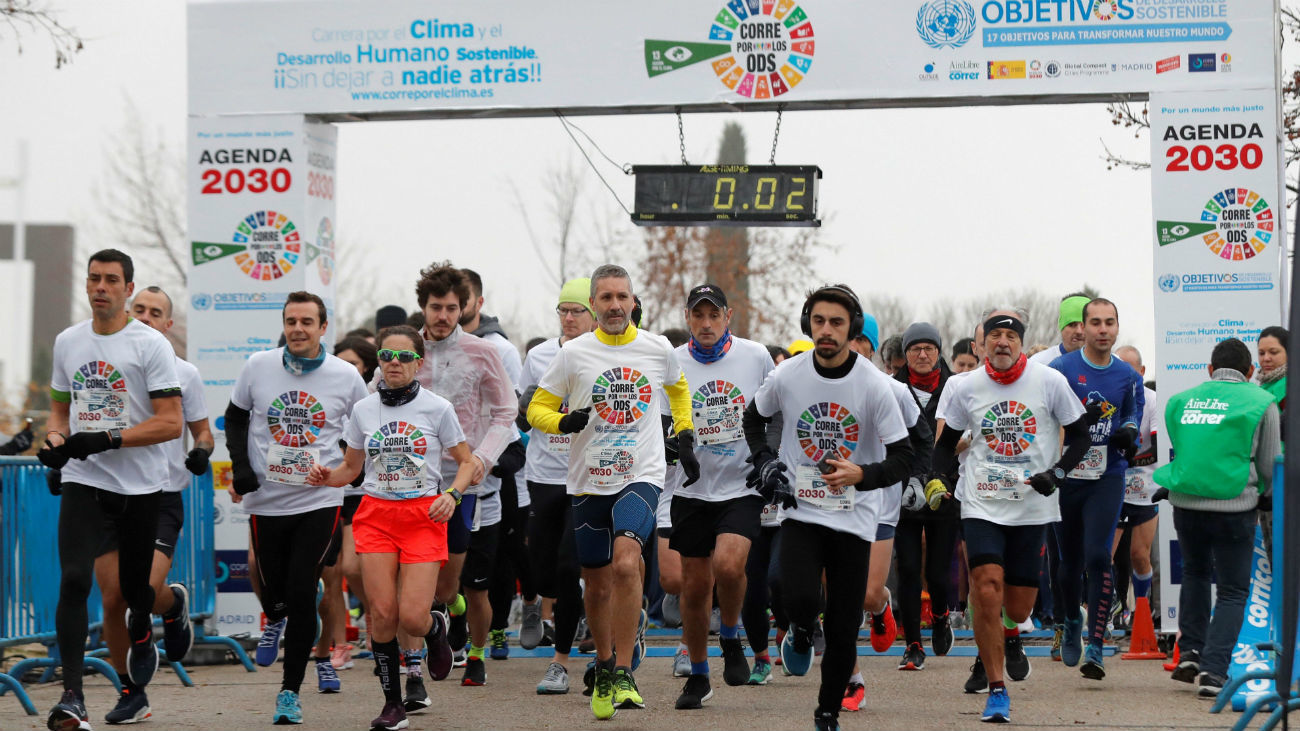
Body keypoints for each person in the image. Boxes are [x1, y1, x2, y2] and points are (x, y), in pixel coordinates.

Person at [527, 264, 697, 720]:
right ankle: (603, 663)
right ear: (594, 305)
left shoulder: (657, 347)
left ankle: (623, 670)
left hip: (640, 472)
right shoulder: (573, 354)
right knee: (596, 584)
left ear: (634, 301)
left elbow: (678, 391)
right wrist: (563, 422)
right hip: (588, 481)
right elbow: (537, 409)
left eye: (623, 296)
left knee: (626, 562)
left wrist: (684, 431)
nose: (616, 305)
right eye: (606, 298)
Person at [742, 284, 914, 731]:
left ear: (852, 328)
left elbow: (904, 457)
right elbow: (753, 419)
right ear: (807, 324)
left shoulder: (875, 386)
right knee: (787, 589)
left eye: (837, 323)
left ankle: (827, 712)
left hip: (855, 520)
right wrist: (765, 460)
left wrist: (862, 475)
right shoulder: (789, 375)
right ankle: (799, 627)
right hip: (802, 510)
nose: (826, 331)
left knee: (841, 626)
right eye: (818, 321)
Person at [306, 324, 479, 731]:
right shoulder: (364, 409)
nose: (394, 364)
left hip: (423, 517)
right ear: (378, 361)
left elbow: (467, 462)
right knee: (383, 614)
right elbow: (351, 468)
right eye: (386, 356)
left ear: (419, 362)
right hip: (377, 516)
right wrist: (325, 477)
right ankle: (393, 705)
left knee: (411, 617)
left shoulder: (438, 408)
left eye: (403, 357)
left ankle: (436, 627)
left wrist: (451, 495)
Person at [38, 250, 183, 731]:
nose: (101, 286)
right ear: (86, 285)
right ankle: (73, 696)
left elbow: (169, 422)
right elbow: (60, 410)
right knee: (76, 580)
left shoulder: (149, 345)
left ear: (127, 288)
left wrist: (106, 438)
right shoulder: (68, 342)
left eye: (111, 280)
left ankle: (151, 623)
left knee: (136, 591)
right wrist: (58, 439)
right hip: (86, 480)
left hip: (142, 486)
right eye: (94, 279)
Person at [930, 309, 1089, 723]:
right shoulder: (967, 387)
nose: (1002, 342)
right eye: (994, 336)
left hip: (1031, 506)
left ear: (1020, 342)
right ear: (981, 344)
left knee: (1017, 608)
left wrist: (1057, 473)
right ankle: (997, 689)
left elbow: (1083, 434)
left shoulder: (1048, 381)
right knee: (985, 586)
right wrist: (935, 479)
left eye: (1010, 336)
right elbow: (945, 444)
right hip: (981, 502)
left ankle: (1011, 629)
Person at [225, 291, 369, 724]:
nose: (298, 329)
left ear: (323, 327)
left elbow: (364, 428)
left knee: (302, 590)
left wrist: (349, 470)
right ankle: (278, 614)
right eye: (291, 321)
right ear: (283, 325)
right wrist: (241, 469)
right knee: (273, 587)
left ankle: (289, 692)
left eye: (307, 321)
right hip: (267, 499)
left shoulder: (345, 376)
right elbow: (234, 417)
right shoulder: (257, 366)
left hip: (318, 498)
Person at [387, 263, 514, 697]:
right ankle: (413, 675)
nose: (443, 316)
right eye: (436, 307)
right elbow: (375, 399)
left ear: (467, 308)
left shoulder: (482, 352)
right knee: (409, 587)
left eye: (452, 308)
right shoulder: (404, 350)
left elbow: (505, 413)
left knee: (449, 587)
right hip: (408, 484)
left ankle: (459, 628)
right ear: (423, 307)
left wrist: (483, 457)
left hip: (462, 485)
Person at [90, 285, 213, 725]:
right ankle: (130, 693)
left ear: (168, 325)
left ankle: (170, 605)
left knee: (140, 589)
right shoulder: (105, 366)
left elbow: (203, 431)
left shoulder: (185, 373)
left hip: (160, 496)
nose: (143, 316)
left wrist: (201, 451)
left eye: (154, 312)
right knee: (111, 600)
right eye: (137, 308)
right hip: (108, 492)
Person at [666, 284, 774, 709]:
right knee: (693, 588)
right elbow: (660, 422)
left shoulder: (754, 356)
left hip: (741, 483)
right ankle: (698, 675)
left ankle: (730, 635)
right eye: (698, 316)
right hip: (692, 487)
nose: (706, 323)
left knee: (729, 566)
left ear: (728, 316)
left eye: (714, 315)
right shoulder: (671, 362)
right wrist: (679, 446)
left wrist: (769, 460)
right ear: (688, 318)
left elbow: (774, 410)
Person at [1154, 337, 1279, 699]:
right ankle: (1213, 671)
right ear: (1251, 371)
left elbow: (1184, 449)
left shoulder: (1180, 400)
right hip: (1235, 505)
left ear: (1210, 370)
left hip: (1186, 504)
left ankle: (1190, 652)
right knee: (1233, 590)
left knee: (1194, 573)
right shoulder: (1261, 401)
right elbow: (1270, 465)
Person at [1049, 298, 1144, 681]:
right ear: (1082, 329)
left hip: (1107, 477)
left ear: (1117, 328)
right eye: (1096, 323)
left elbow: (1134, 416)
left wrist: (1129, 433)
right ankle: (1072, 618)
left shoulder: (1128, 377)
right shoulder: (1061, 370)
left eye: (1110, 323)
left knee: (1098, 557)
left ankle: (1097, 646)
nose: (1103, 329)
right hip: (1067, 477)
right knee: (1068, 563)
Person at [843, 325, 932, 711]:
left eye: (863, 342)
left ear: (874, 349)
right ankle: (851, 679)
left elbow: (923, 439)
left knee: (864, 594)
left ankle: (880, 606)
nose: (856, 349)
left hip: (880, 501)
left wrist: (916, 478)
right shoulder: (818, 384)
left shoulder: (894, 391)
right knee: (842, 596)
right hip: (830, 503)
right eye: (851, 341)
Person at [521, 278, 596, 694]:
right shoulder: (538, 355)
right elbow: (525, 407)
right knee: (542, 572)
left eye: (577, 311)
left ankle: (560, 663)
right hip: (543, 473)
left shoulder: (603, 353)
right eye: (563, 311)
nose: (568, 318)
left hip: (586, 476)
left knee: (569, 568)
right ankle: (576, 601)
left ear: (593, 315)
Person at [892, 322, 960, 670]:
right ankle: (912, 644)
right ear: (905, 355)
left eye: (928, 349)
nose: (922, 354)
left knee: (936, 571)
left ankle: (940, 614)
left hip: (944, 490)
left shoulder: (954, 387)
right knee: (906, 568)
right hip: (904, 491)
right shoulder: (892, 387)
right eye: (915, 349)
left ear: (938, 352)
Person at [1112, 345, 1158, 633]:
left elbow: (1154, 445)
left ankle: (1142, 610)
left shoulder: (1153, 400)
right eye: (1122, 369)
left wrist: (1127, 455)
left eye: (1133, 371)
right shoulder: (1110, 397)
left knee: (1139, 555)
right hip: (1114, 485)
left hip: (1145, 486)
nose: (1128, 376)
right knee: (1104, 555)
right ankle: (1107, 612)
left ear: (1142, 372)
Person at [1028, 293, 1089, 366]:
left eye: (1084, 325)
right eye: (1072, 325)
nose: (1079, 331)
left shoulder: (1104, 365)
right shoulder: (1039, 363)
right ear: (1061, 325)